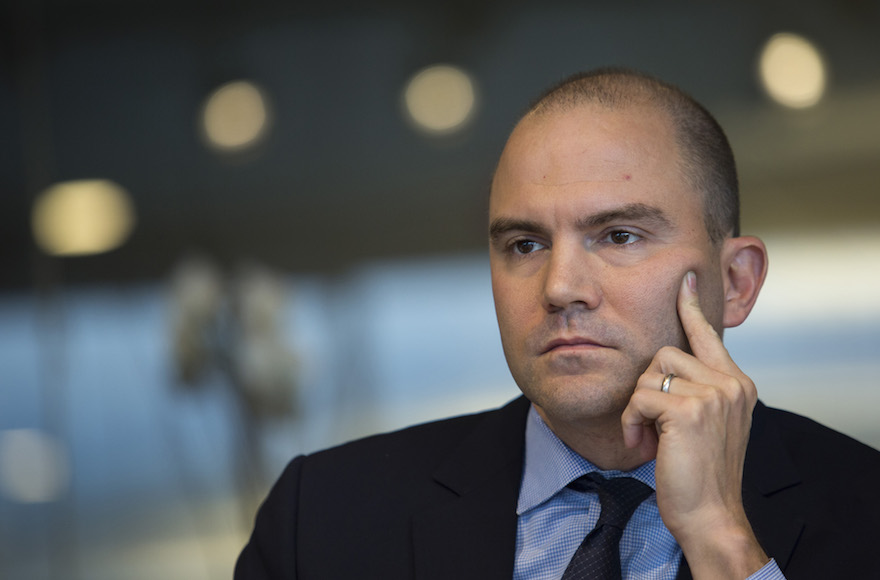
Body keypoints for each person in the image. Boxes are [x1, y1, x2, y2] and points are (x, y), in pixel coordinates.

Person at [234, 68, 880, 579]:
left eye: (619, 235)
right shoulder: (324, 518)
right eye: (525, 244)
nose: (561, 287)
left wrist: (720, 536)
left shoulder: (864, 512)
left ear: (736, 282)